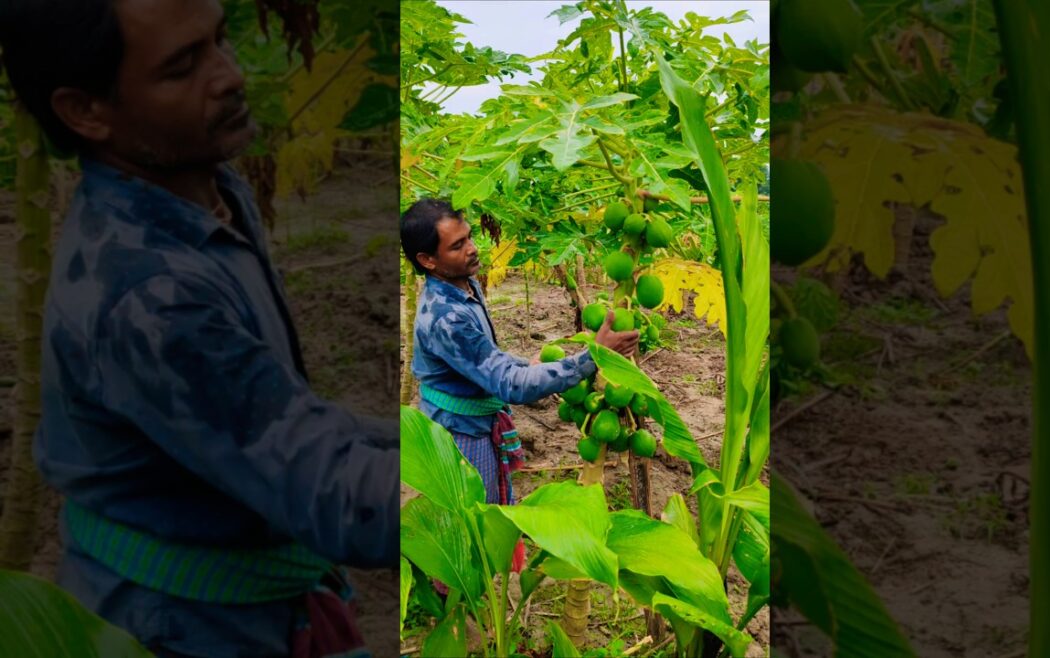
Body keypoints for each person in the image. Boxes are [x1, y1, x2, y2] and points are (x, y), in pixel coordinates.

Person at [0, 1, 397, 656]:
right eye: (183, 66)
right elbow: (330, 488)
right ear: (86, 111)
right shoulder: (152, 298)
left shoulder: (199, 188)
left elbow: (283, 416)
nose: (229, 75)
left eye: (219, 40)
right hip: (188, 629)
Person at [402, 198, 639, 515]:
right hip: (459, 431)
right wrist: (594, 357)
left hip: (474, 415)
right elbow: (510, 385)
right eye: (457, 245)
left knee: (492, 507)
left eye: (470, 236)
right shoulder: (447, 317)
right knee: (478, 520)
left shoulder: (464, 283)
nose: (472, 248)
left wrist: (525, 364)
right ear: (428, 260)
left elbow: (485, 356)